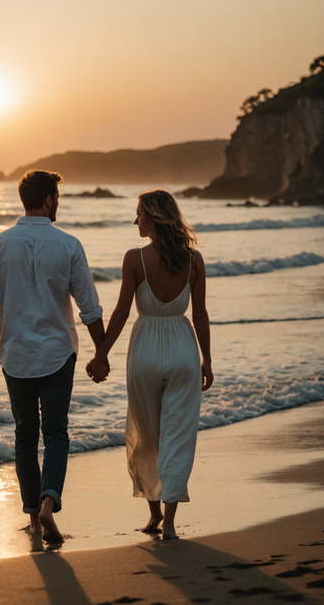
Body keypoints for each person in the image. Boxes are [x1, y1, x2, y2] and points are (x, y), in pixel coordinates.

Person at [0, 170, 106, 544]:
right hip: (57, 353)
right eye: (57, 199)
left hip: (15, 355)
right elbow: (90, 309)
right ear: (48, 200)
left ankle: (32, 517)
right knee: (57, 433)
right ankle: (49, 503)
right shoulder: (68, 245)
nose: (57, 205)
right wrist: (102, 352)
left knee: (25, 435)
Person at [87, 189, 213, 541]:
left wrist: (102, 353)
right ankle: (169, 522)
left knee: (147, 435)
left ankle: (154, 514)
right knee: (178, 436)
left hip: (143, 351)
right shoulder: (194, 261)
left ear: (153, 218)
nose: (135, 220)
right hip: (183, 350)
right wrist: (207, 359)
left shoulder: (134, 259)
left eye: (139, 213)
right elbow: (200, 315)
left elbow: (122, 312)